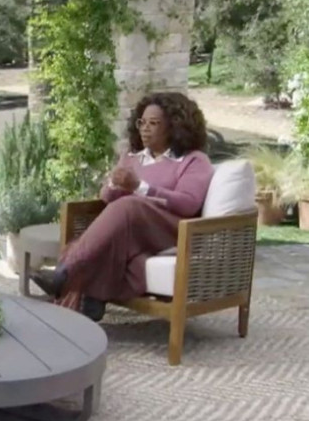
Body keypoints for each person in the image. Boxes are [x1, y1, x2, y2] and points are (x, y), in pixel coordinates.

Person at [32, 92, 214, 321]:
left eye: (153, 123)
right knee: (118, 217)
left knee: (128, 206)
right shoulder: (132, 158)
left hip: (172, 230)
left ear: (175, 127)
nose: (145, 129)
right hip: (132, 232)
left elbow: (188, 203)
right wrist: (113, 183)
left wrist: (140, 187)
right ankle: (89, 301)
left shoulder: (193, 160)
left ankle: (66, 271)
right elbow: (107, 198)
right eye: (142, 122)